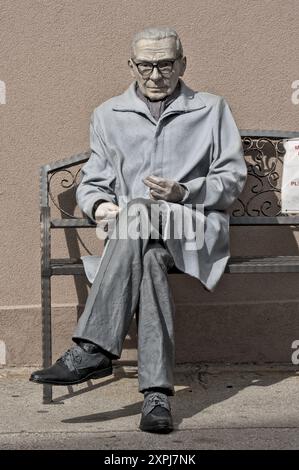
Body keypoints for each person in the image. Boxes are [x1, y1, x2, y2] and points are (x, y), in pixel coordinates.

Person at [30, 26, 248, 434]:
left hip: (192, 228)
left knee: (140, 213)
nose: (155, 74)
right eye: (145, 65)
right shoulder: (107, 115)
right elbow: (92, 183)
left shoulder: (212, 109)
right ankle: (156, 397)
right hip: (135, 239)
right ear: (131, 65)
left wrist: (185, 190)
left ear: (183, 63)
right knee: (146, 256)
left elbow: (232, 179)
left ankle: (93, 347)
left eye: (165, 63)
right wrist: (101, 206)